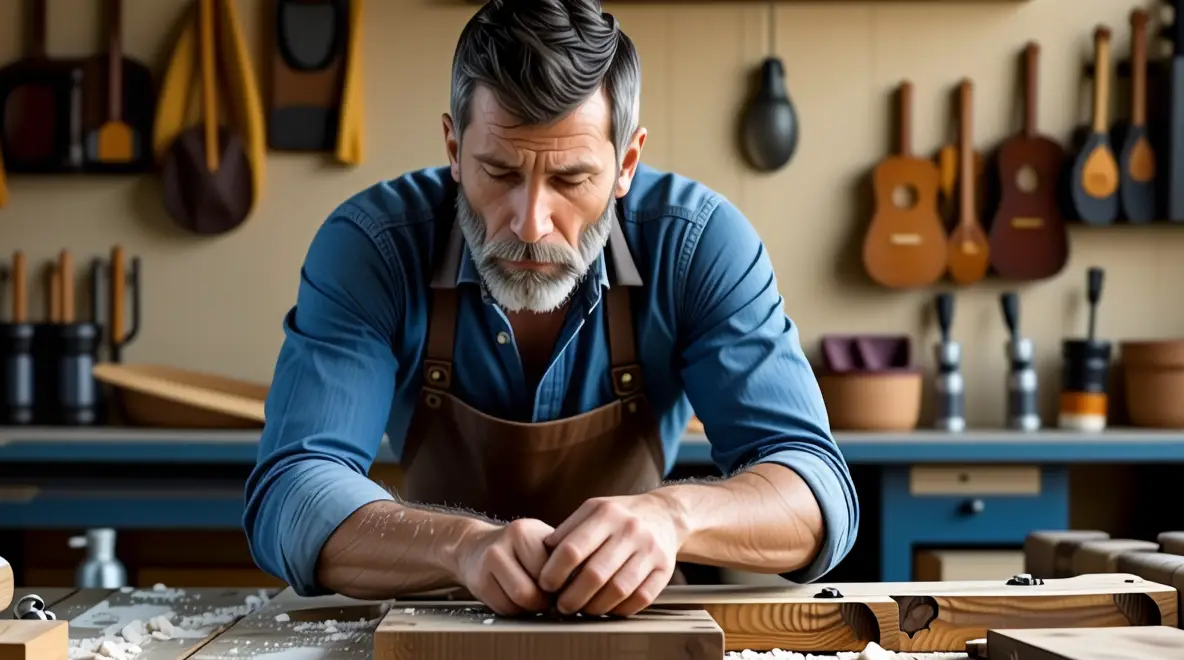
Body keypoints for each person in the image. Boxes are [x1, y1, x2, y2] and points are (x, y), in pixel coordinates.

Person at [244, 0, 857, 618]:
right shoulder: (373, 247)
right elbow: (292, 490)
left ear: (626, 164)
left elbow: (816, 489)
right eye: (499, 171)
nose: (531, 224)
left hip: (633, 639)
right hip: (430, 628)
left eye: (570, 180)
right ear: (454, 149)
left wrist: (676, 516)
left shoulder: (697, 244)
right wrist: (461, 547)